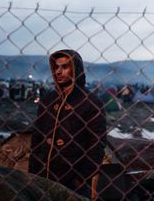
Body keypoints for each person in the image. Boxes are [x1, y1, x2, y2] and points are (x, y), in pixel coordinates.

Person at [28, 49, 107, 198]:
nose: (59, 71)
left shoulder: (91, 103)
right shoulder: (47, 101)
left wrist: (82, 178)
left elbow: (97, 144)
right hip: (43, 175)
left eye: (64, 67)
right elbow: (36, 139)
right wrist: (33, 172)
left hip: (73, 180)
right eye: (56, 67)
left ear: (76, 69)